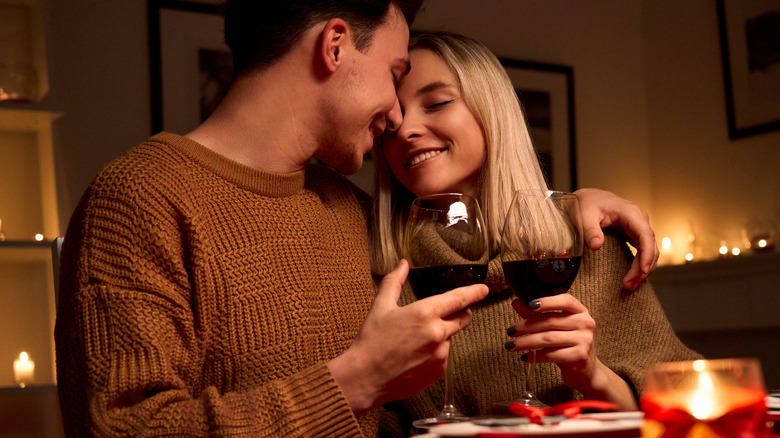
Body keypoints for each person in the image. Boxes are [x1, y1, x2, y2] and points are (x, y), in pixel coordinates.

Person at [54, 1, 660, 435]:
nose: (397, 115)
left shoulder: (354, 214)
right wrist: (352, 385)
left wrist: (567, 207)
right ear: (335, 45)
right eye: (396, 75)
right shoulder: (135, 198)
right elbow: (123, 427)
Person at [371, 31, 701, 434]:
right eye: (392, 120)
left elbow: (687, 414)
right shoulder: (383, 278)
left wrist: (593, 376)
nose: (406, 130)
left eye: (437, 103)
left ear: (491, 109)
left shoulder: (590, 242)